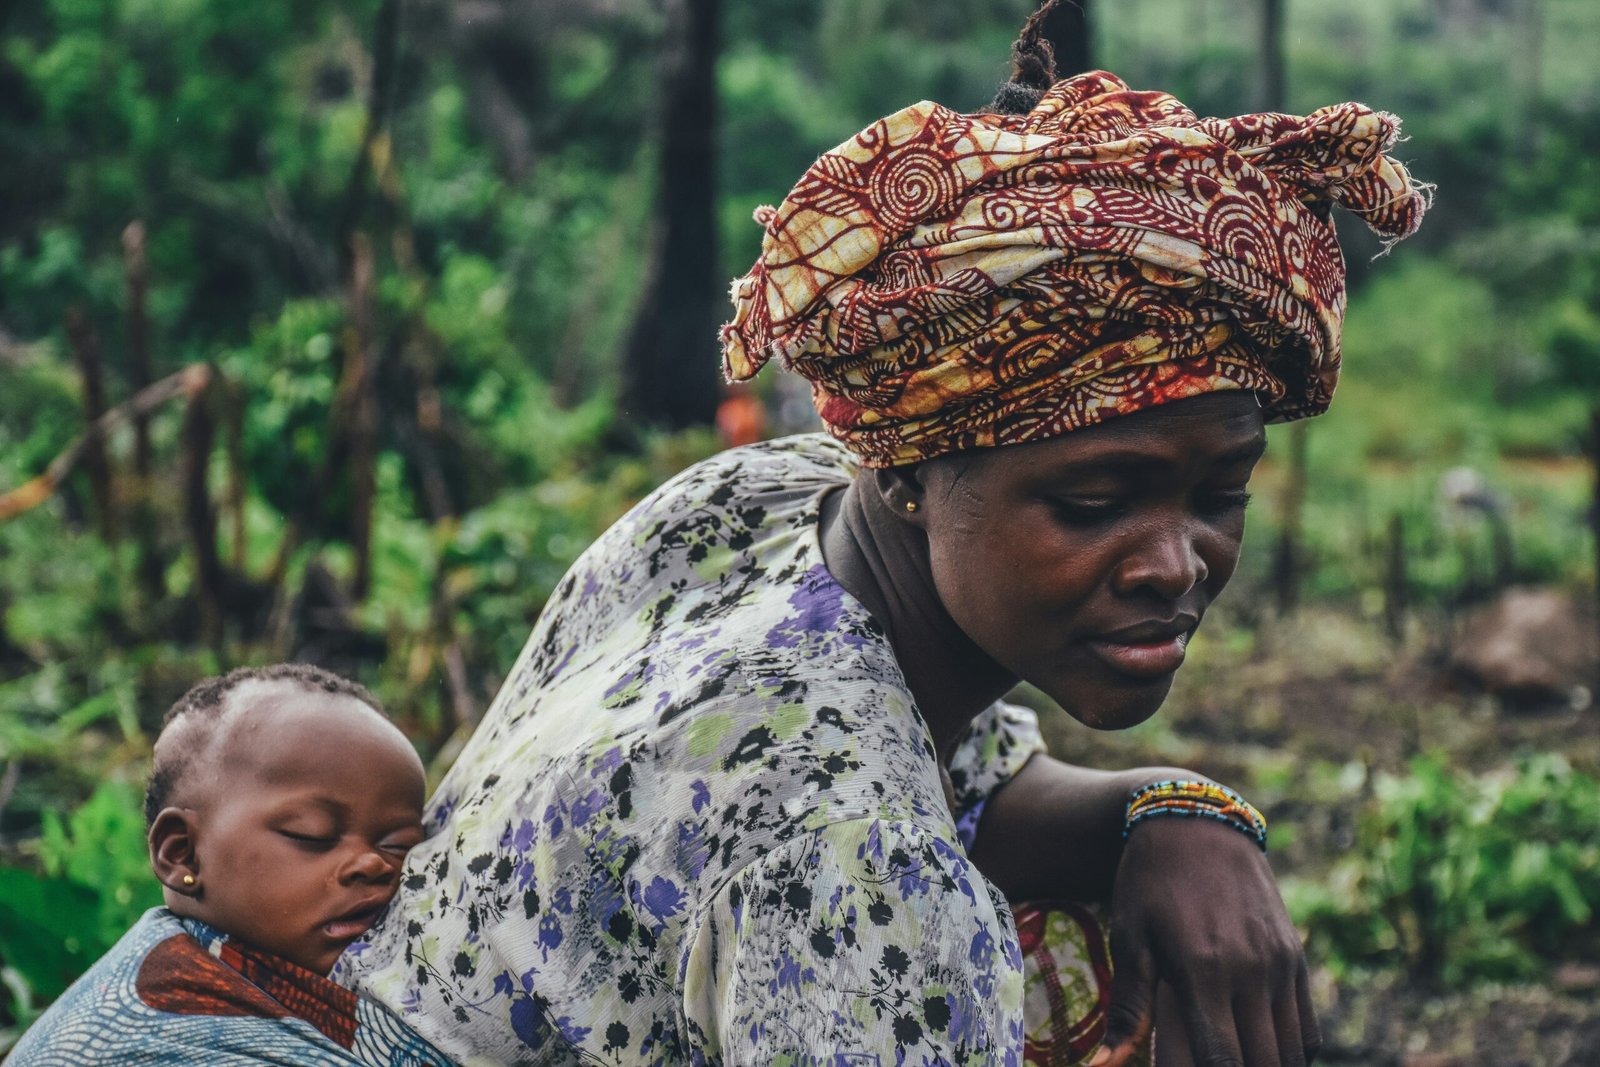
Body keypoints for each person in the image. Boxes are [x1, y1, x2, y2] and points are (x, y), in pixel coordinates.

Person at [338, 10, 1427, 1064]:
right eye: (1095, 504)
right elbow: (861, 802)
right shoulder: (857, 869)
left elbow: (965, 777)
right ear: (908, 469)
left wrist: (1178, 810)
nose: (1173, 563)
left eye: (1219, 493)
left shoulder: (748, 506)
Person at [8, 664, 454, 1066]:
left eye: (398, 844)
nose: (372, 863)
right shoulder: (153, 1040)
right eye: (311, 834)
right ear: (181, 853)